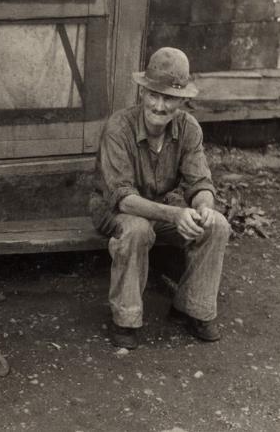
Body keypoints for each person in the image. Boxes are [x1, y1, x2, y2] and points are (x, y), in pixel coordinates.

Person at [89, 47, 230, 350]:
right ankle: (125, 319)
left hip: (159, 208)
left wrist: (203, 206)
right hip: (114, 209)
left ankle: (191, 307)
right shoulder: (118, 127)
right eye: (154, 95)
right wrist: (175, 215)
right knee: (137, 228)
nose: (159, 105)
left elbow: (200, 181)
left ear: (182, 101)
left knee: (216, 224)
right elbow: (123, 199)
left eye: (169, 98)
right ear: (143, 92)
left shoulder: (188, 128)